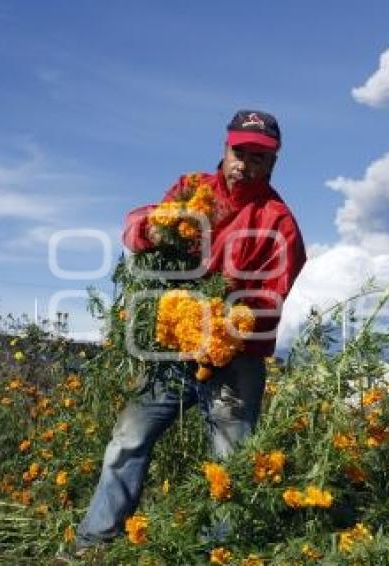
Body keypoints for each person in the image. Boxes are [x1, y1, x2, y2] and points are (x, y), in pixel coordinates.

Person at [72, 109, 307, 554]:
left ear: (273, 163)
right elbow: (137, 225)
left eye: (259, 157)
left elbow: (268, 300)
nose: (247, 163)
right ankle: (93, 543)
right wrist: (153, 230)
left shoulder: (278, 221)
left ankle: (218, 552)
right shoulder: (192, 189)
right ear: (225, 148)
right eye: (240, 152)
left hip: (233, 359)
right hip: (171, 351)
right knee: (128, 439)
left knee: (230, 462)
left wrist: (222, 325)